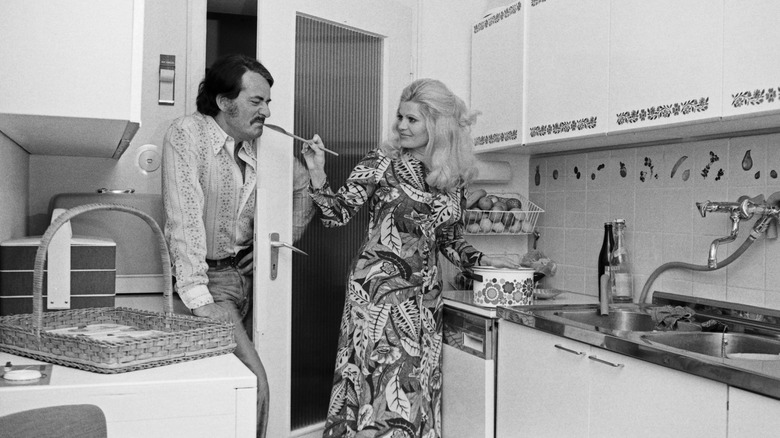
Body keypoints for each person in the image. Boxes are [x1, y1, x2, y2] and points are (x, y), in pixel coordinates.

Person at [301, 78, 518, 437]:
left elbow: (449, 238)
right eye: (400, 117)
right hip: (377, 294)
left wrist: (484, 263)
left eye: (412, 120)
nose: (401, 125)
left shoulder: (451, 178)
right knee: (385, 383)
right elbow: (336, 214)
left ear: (436, 125)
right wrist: (317, 171)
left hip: (425, 300)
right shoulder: (381, 163)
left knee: (415, 384)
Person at [161, 53, 313, 438]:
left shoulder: (260, 146)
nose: (265, 111)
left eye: (267, 103)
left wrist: (270, 248)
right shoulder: (187, 133)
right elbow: (184, 216)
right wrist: (200, 298)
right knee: (254, 384)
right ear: (224, 102)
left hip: (245, 278)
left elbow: (302, 188)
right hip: (206, 284)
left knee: (232, 396)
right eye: (256, 101)